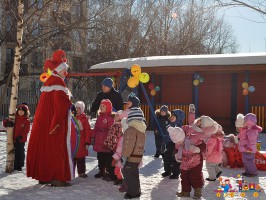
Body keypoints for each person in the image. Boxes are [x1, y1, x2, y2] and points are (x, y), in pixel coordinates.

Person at [27, 50, 74, 187]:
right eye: (64, 71)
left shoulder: (48, 84)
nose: (66, 73)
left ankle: (44, 176)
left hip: (43, 124)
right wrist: (70, 103)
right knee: (56, 148)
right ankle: (57, 177)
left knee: (44, 148)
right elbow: (60, 106)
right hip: (54, 125)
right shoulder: (58, 84)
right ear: (58, 71)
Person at [175, 115, 218, 199]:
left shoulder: (203, 135)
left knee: (195, 176)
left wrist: (198, 149)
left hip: (195, 160)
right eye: (199, 120)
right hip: (184, 157)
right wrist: (177, 152)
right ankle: (185, 191)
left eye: (201, 122)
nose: (198, 121)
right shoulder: (189, 128)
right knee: (184, 176)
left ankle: (197, 192)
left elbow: (204, 146)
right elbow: (180, 137)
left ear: (204, 126)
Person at [122, 98, 146, 199]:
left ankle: (133, 192)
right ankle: (137, 190)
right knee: (134, 173)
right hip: (138, 156)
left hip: (131, 157)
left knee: (129, 174)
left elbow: (128, 144)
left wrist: (124, 156)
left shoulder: (131, 130)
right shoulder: (141, 129)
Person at [91, 99, 114, 179]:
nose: (101, 107)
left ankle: (107, 171)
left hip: (105, 139)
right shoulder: (99, 117)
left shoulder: (110, 118)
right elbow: (96, 128)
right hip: (99, 139)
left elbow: (111, 129)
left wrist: (108, 138)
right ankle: (101, 170)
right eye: (100, 106)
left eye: (103, 106)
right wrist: (93, 136)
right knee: (100, 157)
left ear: (107, 107)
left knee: (107, 157)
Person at [161, 109, 185, 179]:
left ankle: (175, 173)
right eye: (171, 115)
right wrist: (164, 140)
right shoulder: (169, 125)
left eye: (174, 116)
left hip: (176, 145)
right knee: (166, 156)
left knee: (175, 159)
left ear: (179, 118)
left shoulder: (180, 127)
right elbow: (167, 134)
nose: (171, 117)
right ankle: (167, 171)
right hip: (169, 144)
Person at [71, 101, 91, 178]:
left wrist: (87, 141)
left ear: (82, 109)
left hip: (81, 142)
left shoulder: (84, 119)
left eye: (79, 108)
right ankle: (71, 171)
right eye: (76, 108)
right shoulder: (72, 118)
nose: (77, 109)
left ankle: (81, 172)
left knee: (81, 158)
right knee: (72, 158)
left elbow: (87, 131)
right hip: (73, 141)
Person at [13, 104, 30, 171]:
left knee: (20, 152)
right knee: (13, 152)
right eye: (19, 110)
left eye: (22, 111)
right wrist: (6, 122)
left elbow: (26, 130)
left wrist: (20, 137)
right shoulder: (15, 118)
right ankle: (14, 164)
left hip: (20, 140)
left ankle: (20, 165)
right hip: (13, 139)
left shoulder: (26, 120)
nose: (20, 111)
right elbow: (7, 121)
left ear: (25, 112)